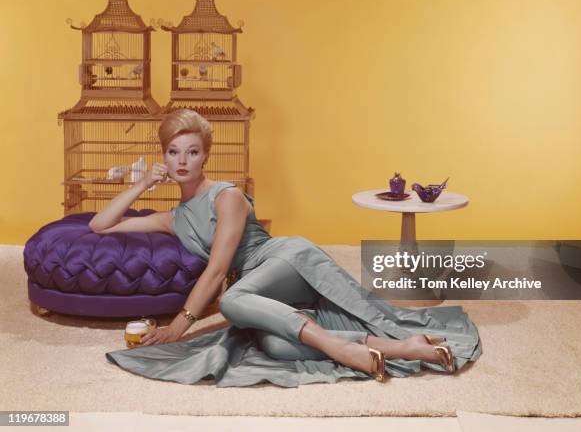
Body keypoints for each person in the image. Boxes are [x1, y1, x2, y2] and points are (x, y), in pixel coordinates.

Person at [99, 109, 481, 387]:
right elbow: (101, 225)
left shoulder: (226, 196)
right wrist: (143, 184)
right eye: (174, 151)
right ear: (163, 157)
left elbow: (217, 270)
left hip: (287, 261)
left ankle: (340, 346)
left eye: (193, 151)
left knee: (231, 302)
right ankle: (400, 348)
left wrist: (177, 328)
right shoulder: (174, 218)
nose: (182, 160)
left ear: (206, 156)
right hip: (259, 288)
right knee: (277, 348)